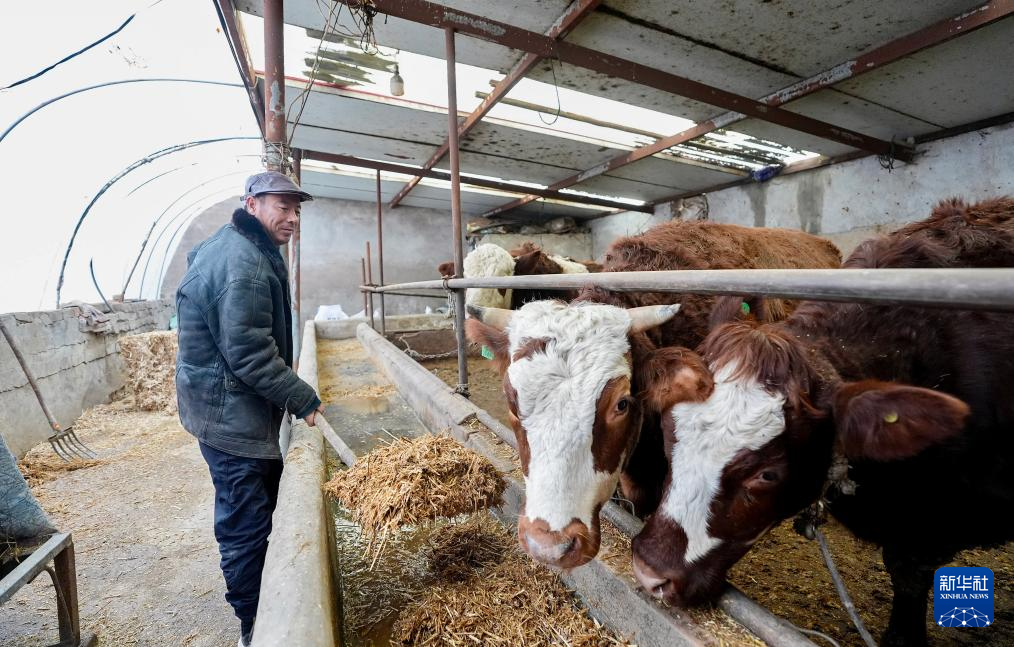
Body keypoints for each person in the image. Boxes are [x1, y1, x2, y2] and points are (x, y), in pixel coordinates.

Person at [174, 170, 323, 647]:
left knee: (261, 503)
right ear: (252, 204)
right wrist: (303, 398)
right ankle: (254, 626)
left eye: (296, 209)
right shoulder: (245, 265)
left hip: (217, 403)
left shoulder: (238, 245)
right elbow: (250, 354)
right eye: (282, 206)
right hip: (228, 416)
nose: (292, 217)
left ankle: (264, 604)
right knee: (245, 526)